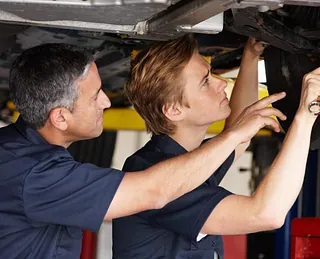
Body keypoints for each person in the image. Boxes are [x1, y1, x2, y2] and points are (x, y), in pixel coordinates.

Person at [0, 43, 284, 259]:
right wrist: (306, 115)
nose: (106, 103)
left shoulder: (18, 154)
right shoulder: (37, 175)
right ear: (60, 117)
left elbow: (232, 144)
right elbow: (156, 190)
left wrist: (249, 56)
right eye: (95, 95)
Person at [112, 34, 320, 259]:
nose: (221, 82)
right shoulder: (157, 177)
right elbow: (266, 214)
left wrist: (250, 57)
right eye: (205, 82)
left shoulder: (188, 160)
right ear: (174, 110)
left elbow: (237, 139)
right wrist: (306, 114)